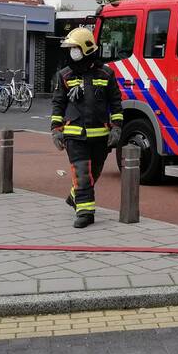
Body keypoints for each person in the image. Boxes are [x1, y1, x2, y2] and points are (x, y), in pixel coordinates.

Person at [50, 27, 123, 228]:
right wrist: (56, 130)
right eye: (70, 48)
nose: (72, 52)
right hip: (74, 135)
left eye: (75, 48)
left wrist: (116, 128)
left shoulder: (106, 74)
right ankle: (85, 213)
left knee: (94, 173)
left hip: (100, 136)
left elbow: (116, 103)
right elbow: (58, 104)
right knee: (82, 172)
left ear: (86, 48)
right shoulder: (64, 75)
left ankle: (76, 196)